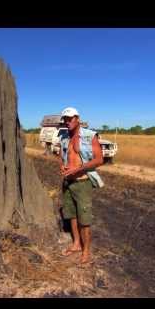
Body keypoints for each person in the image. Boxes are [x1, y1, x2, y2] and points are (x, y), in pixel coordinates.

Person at [59, 107, 104, 265]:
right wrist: (62, 166)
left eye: (70, 118)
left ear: (77, 118)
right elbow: (62, 155)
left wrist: (78, 168)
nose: (67, 121)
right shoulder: (64, 136)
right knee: (71, 215)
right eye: (65, 119)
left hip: (82, 182)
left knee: (84, 220)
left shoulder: (89, 136)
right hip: (68, 183)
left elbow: (99, 159)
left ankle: (86, 251)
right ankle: (76, 244)